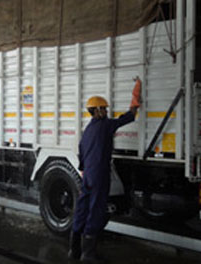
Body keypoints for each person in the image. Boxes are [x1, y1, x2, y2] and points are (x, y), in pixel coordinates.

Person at [68, 78, 141, 263]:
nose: (107, 112)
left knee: (82, 209)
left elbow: (81, 150)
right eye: (105, 109)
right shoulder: (105, 126)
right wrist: (135, 97)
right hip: (99, 174)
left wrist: (84, 170)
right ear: (98, 110)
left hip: (87, 176)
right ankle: (88, 255)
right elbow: (128, 117)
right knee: (96, 210)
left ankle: (74, 250)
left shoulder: (88, 130)